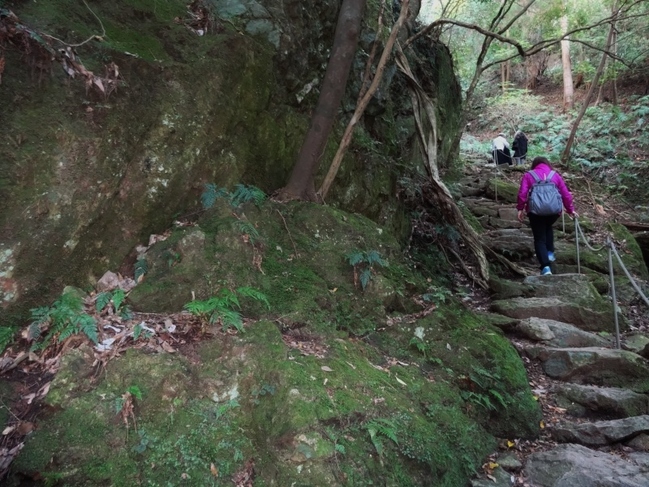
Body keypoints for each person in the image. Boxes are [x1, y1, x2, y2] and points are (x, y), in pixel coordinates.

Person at [516, 156, 578, 275]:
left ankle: (545, 267)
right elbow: (566, 194)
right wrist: (570, 210)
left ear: (535, 164)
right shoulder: (554, 175)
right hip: (553, 211)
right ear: (547, 164)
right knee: (548, 227)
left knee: (539, 238)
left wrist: (520, 208)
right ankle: (549, 253)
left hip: (535, 212)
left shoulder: (529, 175)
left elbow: (522, 193)